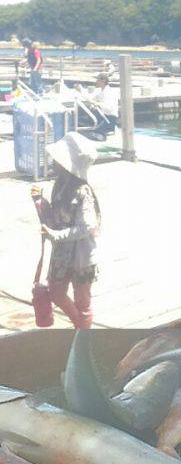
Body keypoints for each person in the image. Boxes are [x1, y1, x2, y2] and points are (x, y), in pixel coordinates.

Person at [30, 132, 100, 329]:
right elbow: (54, 220)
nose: (53, 162)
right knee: (56, 292)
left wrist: (56, 235)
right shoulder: (60, 185)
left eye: (57, 159)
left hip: (81, 256)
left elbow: (86, 226)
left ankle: (82, 334)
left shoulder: (82, 192)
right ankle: (81, 325)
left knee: (83, 301)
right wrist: (40, 203)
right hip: (62, 253)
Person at [85, 73, 119, 140]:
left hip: (109, 119)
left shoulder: (108, 92)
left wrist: (96, 103)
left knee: (92, 135)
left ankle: (101, 133)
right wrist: (81, 91)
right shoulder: (102, 91)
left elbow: (108, 108)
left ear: (103, 81)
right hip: (105, 117)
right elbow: (92, 98)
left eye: (98, 80)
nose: (96, 82)